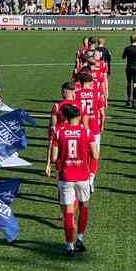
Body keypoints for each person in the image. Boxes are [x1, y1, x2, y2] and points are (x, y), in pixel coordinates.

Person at [50, 104, 99, 257]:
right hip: (82, 176)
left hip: (66, 177)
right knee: (84, 206)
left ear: (65, 117)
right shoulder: (87, 132)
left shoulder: (58, 132)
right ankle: (79, 239)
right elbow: (95, 155)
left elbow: (54, 158)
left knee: (69, 213)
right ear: (78, 117)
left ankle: (69, 246)